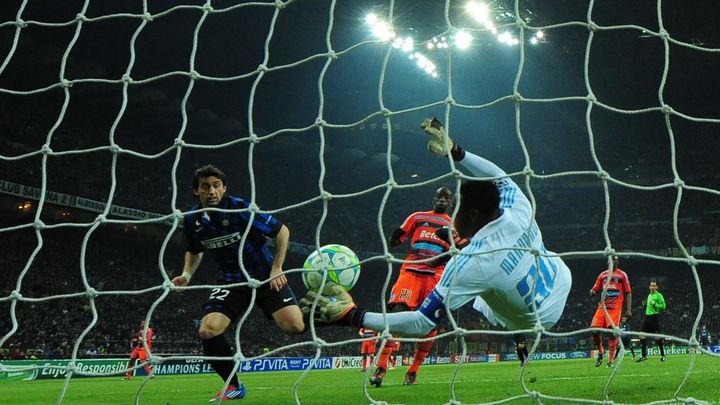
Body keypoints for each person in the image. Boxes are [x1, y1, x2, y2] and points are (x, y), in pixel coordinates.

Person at [300, 118, 573, 368]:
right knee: (489, 273)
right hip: (560, 278)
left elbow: (420, 323)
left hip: (536, 319)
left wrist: (353, 316)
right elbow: (498, 176)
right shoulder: (520, 208)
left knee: (482, 287)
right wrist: (456, 151)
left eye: (460, 208)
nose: (453, 214)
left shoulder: (470, 265)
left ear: (474, 214)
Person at [171, 164, 305, 401]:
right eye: (205, 186)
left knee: (294, 327)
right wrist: (187, 275)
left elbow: (282, 231)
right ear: (196, 191)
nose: (211, 191)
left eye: (216, 185)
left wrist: (277, 267)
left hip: (264, 276)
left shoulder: (239, 208)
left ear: (224, 188)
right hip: (231, 282)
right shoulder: (193, 220)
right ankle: (233, 386)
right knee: (207, 330)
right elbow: (194, 250)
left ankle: (334, 312)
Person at [370, 186, 468, 387]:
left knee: (430, 324)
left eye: (446, 197)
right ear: (434, 199)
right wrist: (395, 238)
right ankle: (381, 368)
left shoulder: (456, 225)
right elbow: (395, 240)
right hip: (411, 272)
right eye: (439, 196)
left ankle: (413, 371)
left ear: (451, 203)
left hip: (436, 276)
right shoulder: (417, 217)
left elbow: (464, 248)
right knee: (396, 314)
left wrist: (449, 250)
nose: (442, 199)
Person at [588, 255, 632, 368]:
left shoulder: (622, 275)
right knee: (594, 331)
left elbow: (628, 292)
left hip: (615, 308)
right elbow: (595, 287)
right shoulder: (602, 275)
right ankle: (601, 351)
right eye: (613, 260)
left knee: (613, 333)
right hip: (602, 307)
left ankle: (611, 360)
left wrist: (628, 310)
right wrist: (592, 291)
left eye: (616, 260)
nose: (615, 262)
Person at [636, 280, 666, 362]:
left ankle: (663, 355)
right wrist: (644, 304)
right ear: (649, 287)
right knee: (641, 335)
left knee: (657, 338)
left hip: (654, 317)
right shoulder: (649, 295)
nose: (652, 287)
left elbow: (663, 306)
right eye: (651, 286)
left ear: (656, 287)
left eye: (654, 286)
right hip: (647, 317)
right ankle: (644, 356)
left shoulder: (659, 295)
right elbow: (649, 305)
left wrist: (655, 304)